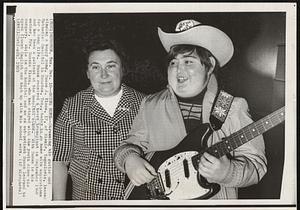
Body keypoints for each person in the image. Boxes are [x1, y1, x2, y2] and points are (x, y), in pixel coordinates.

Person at [114, 19, 267, 199]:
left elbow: (257, 166)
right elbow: (127, 147)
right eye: (173, 62)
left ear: (209, 65)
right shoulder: (150, 104)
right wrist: (129, 160)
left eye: (188, 61)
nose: (178, 69)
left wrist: (228, 172)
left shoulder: (231, 106)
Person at [53, 39, 145, 200]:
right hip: (87, 202)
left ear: (123, 69)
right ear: (88, 73)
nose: (103, 74)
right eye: (95, 67)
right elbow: (59, 161)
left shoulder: (144, 103)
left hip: (133, 198)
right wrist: (58, 208)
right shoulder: (72, 106)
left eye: (111, 66)